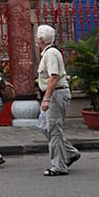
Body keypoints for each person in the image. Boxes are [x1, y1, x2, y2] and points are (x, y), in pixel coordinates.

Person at [36, 24, 81, 176]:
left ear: (41, 39)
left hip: (56, 94)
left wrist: (47, 99)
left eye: (37, 36)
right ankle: (70, 153)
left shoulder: (51, 53)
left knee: (54, 129)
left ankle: (59, 166)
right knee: (45, 126)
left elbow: (54, 77)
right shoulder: (47, 53)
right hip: (53, 94)